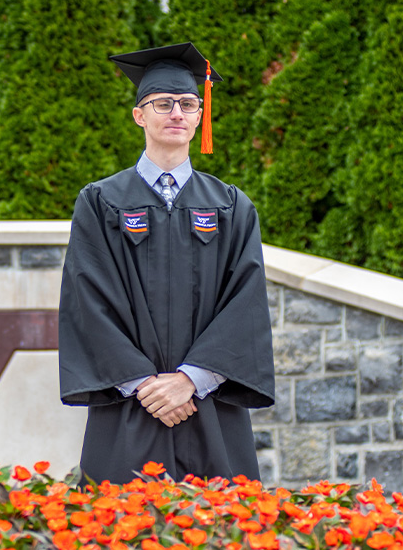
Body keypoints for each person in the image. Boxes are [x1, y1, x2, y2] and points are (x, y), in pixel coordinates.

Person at [58, 42, 275, 485]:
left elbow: (246, 302)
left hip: (209, 405)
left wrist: (190, 381)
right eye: (163, 103)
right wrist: (144, 384)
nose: (176, 112)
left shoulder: (231, 206)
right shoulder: (100, 202)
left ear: (199, 116)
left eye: (187, 103)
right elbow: (87, 298)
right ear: (140, 115)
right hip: (131, 406)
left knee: (222, 526)